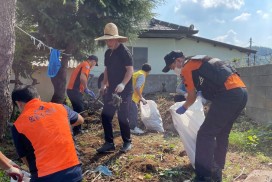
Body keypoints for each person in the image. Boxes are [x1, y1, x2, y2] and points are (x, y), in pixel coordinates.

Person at [162, 51, 247, 182]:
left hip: (228, 94)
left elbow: (191, 97)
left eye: (172, 67)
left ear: (178, 61)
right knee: (222, 133)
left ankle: (203, 176)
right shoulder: (201, 60)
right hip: (241, 92)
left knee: (204, 134)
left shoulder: (187, 67)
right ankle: (217, 171)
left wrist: (184, 107)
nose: (174, 70)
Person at [11, 85, 84, 182]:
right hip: (74, 173)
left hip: (45, 177)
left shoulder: (18, 125)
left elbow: (24, 157)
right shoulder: (61, 108)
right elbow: (80, 120)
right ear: (38, 97)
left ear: (18, 104)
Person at [95, 22, 133, 153]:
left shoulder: (124, 52)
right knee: (106, 115)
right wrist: (103, 84)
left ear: (116, 38)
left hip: (125, 91)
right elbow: (106, 70)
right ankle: (109, 143)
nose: (108, 42)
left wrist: (123, 84)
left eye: (110, 39)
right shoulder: (107, 53)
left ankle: (127, 142)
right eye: (106, 39)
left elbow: (130, 71)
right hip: (111, 90)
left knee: (122, 116)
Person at [67, 55, 98, 136]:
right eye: (95, 64)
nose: (94, 66)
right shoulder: (86, 65)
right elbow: (82, 77)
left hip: (73, 90)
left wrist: (84, 89)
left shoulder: (83, 64)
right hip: (74, 91)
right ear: (93, 61)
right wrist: (86, 88)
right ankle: (77, 130)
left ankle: (74, 129)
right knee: (80, 109)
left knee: (77, 110)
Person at [129, 63, 151, 134]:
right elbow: (137, 87)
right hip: (132, 97)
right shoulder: (142, 75)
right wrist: (141, 98)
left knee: (129, 112)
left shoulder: (137, 73)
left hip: (128, 95)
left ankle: (129, 127)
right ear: (148, 71)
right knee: (134, 113)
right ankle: (133, 128)